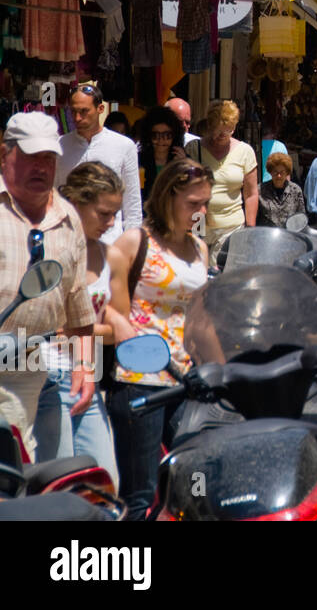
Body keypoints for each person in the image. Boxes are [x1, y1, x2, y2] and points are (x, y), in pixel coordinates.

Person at [106, 158, 212, 519]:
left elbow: (201, 317)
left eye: (205, 204)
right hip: (140, 380)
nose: (200, 211)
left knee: (193, 486)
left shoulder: (200, 248)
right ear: (168, 197)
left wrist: (223, 370)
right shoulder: (135, 242)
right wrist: (120, 327)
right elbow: (105, 306)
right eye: (193, 203)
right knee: (141, 495)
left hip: (187, 381)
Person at [0, 113, 95, 462]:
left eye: (48, 159)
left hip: (30, 365)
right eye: (30, 157)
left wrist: (85, 368)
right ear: (4, 155)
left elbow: (78, 305)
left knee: (20, 470)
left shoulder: (68, 218)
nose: (41, 167)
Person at [39, 162, 124, 485]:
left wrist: (76, 329)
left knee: (105, 486)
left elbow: (119, 328)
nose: (112, 221)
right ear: (76, 203)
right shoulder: (44, 247)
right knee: (58, 487)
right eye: (104, 213)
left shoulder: (110, 255)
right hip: (45, 380)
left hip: (90, 378)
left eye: (115, 213)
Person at [57, 84, 142, 245]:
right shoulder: (59, 145)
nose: (77, 118)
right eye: (73, 112)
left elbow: (132, 205)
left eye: (84, 111)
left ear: (100, 108)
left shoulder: (124, 146)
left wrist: (132, 248)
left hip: (110, 243)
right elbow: (53, 197)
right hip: (68, 242)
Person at [186, 102, 258, 256]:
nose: (221, 137)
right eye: (217, 132)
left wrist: (250, 229)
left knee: (222, 274)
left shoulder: (245, 152)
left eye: (227, 132)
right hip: (199, 223)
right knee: (198, 273)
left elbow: (251, 194)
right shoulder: (193, 148)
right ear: (209, 126)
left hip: (231, 226)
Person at [135, 105, 186, 201]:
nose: (161, 140)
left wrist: (182, 166)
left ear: (175, 135)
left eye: (167, 135)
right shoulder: (138, 160)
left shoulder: (184, 160)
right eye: (155, 135)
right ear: (148, 136)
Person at [257, 152, 307, 228]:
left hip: (289, 236)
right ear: (270, 172)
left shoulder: (296, 190)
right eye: (275, 172)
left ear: (287, 172)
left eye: (282, 172)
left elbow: (301, 218)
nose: (279, 176)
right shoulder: (260, 190)